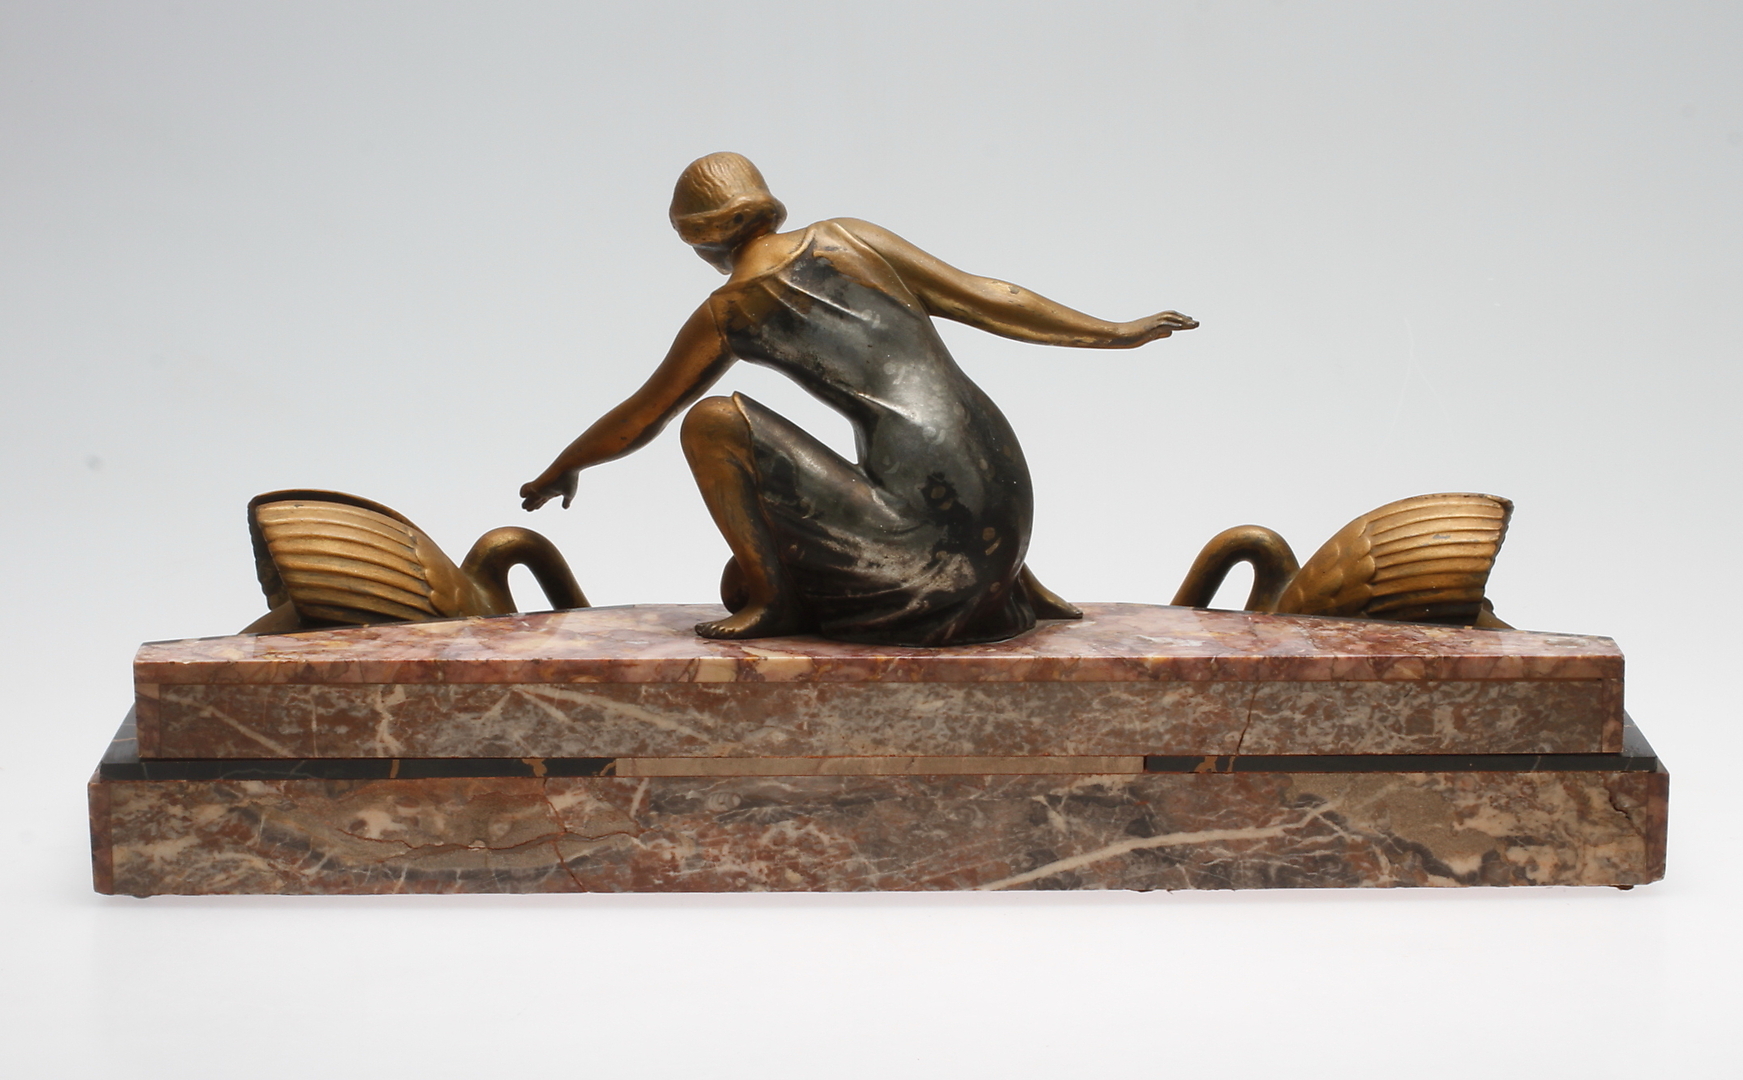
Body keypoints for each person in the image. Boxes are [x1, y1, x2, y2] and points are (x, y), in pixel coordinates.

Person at [521, 153, 1196, 645]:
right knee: (903, 443)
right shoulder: (849, 237)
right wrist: (1114, 331)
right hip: (1000, 498)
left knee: (711, 421)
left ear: (699, 238)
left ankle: (773, 601)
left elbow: (643, 415)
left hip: (929, 536)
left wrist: (562, 466)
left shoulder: (728, 310)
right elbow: (990, 296)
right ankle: (1008, 580)